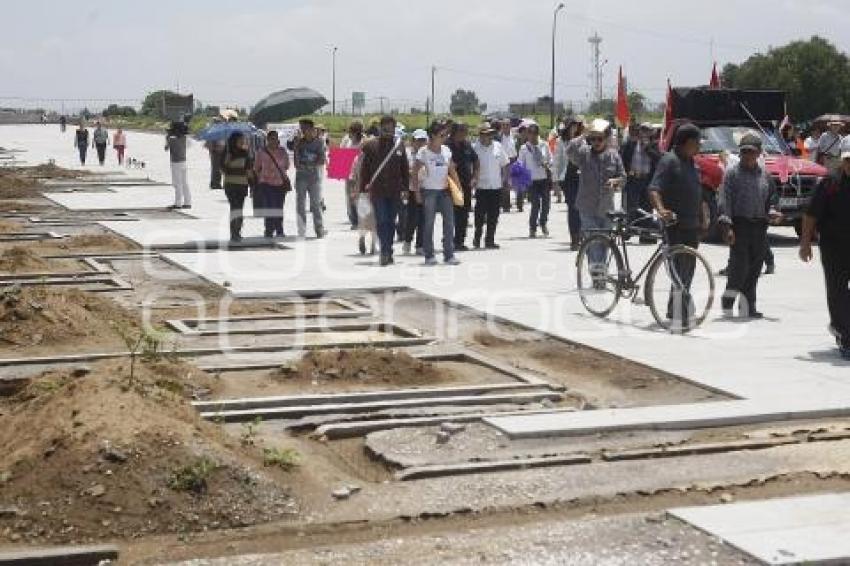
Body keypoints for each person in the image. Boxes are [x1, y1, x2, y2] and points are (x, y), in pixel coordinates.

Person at [649, 122, 711, 326]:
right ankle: (681, 311)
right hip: (674, 225)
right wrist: (661, 209)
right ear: (687, 142)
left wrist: (703, 217)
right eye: (697, 143)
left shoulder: (693, 163)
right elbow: (654, 189)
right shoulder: (669, 161)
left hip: (691, 225)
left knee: (688, 269)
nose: (699, 147)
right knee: (678, 271)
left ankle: (675, 310)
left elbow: (698, 192)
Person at [718, 134, 781, 319]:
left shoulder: (765, 174)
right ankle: (728, 302)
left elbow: (772, 198)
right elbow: (725, 200)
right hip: (739, 225)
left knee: (754, 268)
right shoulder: (732, 173)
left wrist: (773, 211)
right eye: (744, 151)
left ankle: (748, 307)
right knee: (739, 268)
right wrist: (727, 226)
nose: (747, 155)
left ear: (759, 153)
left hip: (759, 227)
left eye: (751, 152)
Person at [799, 148, 850, 360]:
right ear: (844, 161)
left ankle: (841, 325)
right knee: (837, 291)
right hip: (834, 247)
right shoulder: (829, 184)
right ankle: (845, 335)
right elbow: (811, 215)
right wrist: (805, 243)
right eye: (848, 160)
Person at [566, 118, 626, 271]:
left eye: (599, 139)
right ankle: (597, 274)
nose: (596, 142)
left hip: (607, 208)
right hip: (587, 207)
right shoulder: (583, 154)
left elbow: (623, 178)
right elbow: (569, 150)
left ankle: (600, 271)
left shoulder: (614, 155)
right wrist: (583, 135)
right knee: (593, 242)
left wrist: (616, 180)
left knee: (605, 243)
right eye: (592, 139)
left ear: (606, 139)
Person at [358, 115, 410, 266]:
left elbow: (404, 169)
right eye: (385, 128)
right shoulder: (371, 146)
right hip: (378, 190)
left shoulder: (399, 146)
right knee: (381, 221)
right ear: (380, 128)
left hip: (395, 190)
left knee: (391, 222)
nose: (388, 130)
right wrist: (363, 188)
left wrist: (405, 188)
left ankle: (388, 249)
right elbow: (365, 169)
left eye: (391, 128)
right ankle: (385, 251)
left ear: (394, 128)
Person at [412, 121, 462, 266]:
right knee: (428, 223)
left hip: (445, 191)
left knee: (449, 223)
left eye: (446, 134)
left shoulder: (446, 150)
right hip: (429, 192)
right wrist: (416, 193)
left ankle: (449, 254)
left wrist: (459, 187)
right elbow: (415, 173)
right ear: (432, 135)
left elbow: (452, 169)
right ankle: (429, 255)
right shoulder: (423, 152)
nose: (445, 137)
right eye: (441, 134)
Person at [620, 123, 661, 242]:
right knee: (632, 207)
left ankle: (645, 235)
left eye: (648, 131)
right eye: (643, 130)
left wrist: (647, 148)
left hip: (647, 180)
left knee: (647, 208)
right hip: (633, 179)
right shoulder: (630, 144)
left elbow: (658, 159)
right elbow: (622, 160)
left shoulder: (654, 146)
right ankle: (628, 231)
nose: (645, 133)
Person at [471, 122, 509, 249]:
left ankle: (490, 240)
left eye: (490, 133)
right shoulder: (474, 148)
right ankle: (477, 237)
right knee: (479, 215)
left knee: (494, 215)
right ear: (480, 135)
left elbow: (504, 164)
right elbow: (471, 167)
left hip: (496, 186)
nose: (488, 136)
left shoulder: (498, 146)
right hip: (482, 187)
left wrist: (505, 180)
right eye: (485, 133)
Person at [446, 123, 479, 251]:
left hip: (465, 185)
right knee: (450, 214)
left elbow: (476, 161)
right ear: (454, 131)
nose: (464, 133)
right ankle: (448, 240)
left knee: (463, 214)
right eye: (461, 130)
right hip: (449, 185)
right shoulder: (447, 146)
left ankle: (459, 241)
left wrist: (475, 177)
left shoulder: (467, 145)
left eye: (465, 131)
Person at [518, 122, 554, 238]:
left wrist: (547, 164)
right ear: (527, 134)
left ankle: (543, 223)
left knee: (546, 204)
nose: (533, 135)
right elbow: (520, 164)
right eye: (530, 133)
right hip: (532, 181)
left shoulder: (544, 145)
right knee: (535, 204)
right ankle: (532, 227)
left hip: (543, 179)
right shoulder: (524, 148)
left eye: (535, 132)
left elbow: (551, 159)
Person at [292, 119, 326, 238]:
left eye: (304, 128)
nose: (302, 131)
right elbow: (296, 164)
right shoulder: (298, 142)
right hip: (301, 177)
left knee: (316, 204)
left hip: (314, 177)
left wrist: (310, 164)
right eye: (301, 128)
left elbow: (322, 159)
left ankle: (319, 228)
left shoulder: (319, 142)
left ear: (312, 129)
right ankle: (301, 229)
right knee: (300, 204)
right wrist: (296, 147)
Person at [553, 118, 584, 250]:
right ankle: (574, 239)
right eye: (572, 125)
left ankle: (582, 234)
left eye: (576, 125)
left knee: (582, 208)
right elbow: (557, 160)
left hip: (582, 177)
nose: (574, 128)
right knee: (573, 208)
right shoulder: (561, 141)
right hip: (567, 178)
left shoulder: (583, 140)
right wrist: (555, 180)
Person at [253, 130, 290, 238]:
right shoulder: (261, 152)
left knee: (278, 208)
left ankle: (279, 230)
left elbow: (287, 166)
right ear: (267, 140)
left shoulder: (282, 151)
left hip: (280, 184)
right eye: (271, 139)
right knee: (270, 207)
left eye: (276, 138)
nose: (274, 141)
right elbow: (256, 167)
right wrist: (262, 175)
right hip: (266, 183)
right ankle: (268, 230)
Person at [220, 132, 254, 242]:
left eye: (243, 140)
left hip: (242, 185)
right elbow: (222, 170)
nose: (242, 142)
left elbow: (249, 171)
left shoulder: (245, 153)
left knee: (239, 209)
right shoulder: (226, 153)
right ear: (234, 141)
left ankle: (237, 232)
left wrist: (252, 184)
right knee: (235, 208)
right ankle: (234, 233)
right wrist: (228, 159)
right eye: (240, 140)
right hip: (230, 185)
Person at [403, 129, 428, 255]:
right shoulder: (407, 154)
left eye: (423, 140)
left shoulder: (428, 153)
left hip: (426, 189)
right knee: (412, 219)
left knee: (424, 218)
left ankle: (420, 245)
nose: (421, 143)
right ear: (413, 141)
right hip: (412, 190)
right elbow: (405, 171)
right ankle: (407, 240)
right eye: (418, 140)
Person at [341, 120, 366, 229]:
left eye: (350, 131)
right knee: (350, 197)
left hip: (361, 173)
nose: (349, 134)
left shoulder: (365, 141)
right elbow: (342, 155)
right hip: (349, 173)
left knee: (361, 196)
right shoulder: (347, 141)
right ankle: (354, 220)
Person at [165, 119, 191, 209]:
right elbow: (189, 145)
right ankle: (188, 202)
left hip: (176, 163)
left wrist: (167, 138)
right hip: (184, 161)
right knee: (184, 183)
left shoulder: (172, 140)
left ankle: (178, 203)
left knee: (177, 184)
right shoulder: (185, 138)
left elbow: (166, 148)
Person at [498, 119, 518, 213]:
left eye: (507, 125)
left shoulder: (514, 136)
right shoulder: (498, 137)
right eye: (503, 125)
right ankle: (505, 204)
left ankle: (518, 203)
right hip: (502, 163)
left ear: (510, 126)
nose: (505, 127)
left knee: (513, 183)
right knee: (504, 183)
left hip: (513, 161)